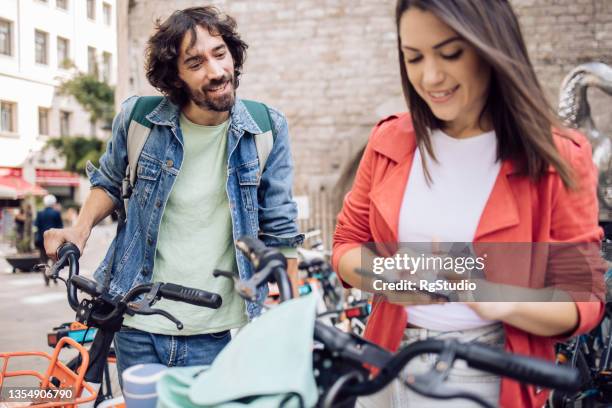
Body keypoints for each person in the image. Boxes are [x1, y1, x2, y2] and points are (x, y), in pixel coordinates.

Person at [332, 1, 605, 407]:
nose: (430, 76)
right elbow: (346, 245)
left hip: (482, 369)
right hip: (384, 360)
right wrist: (388, 275)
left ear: (492, 48)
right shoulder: (389, 140)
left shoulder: (558, 157)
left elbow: (583, 298)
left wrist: (490, 295)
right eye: (413, 58)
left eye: (450, 54)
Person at [44, 6, 302, 377]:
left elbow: (281, 233)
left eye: (219, 54)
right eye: (195, 63)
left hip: (218, 330)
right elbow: (110, 181)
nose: (215, 72)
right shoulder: (139, 121)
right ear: (176, 76)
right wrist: (78, 230)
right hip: (137, 324)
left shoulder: (266, 129)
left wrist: (287, 324)